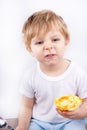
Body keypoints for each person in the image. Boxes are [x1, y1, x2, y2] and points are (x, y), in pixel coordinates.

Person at [16, 10, 87, 130]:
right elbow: (26, 106)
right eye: (39, 42)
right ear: (30, 49)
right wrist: (22, 127)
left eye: (55, 40)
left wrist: (81, 113)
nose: (48, 46)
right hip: (40, 122)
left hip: (70, 121)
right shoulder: (30, 75)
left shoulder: (77, 73)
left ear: (66, 41)